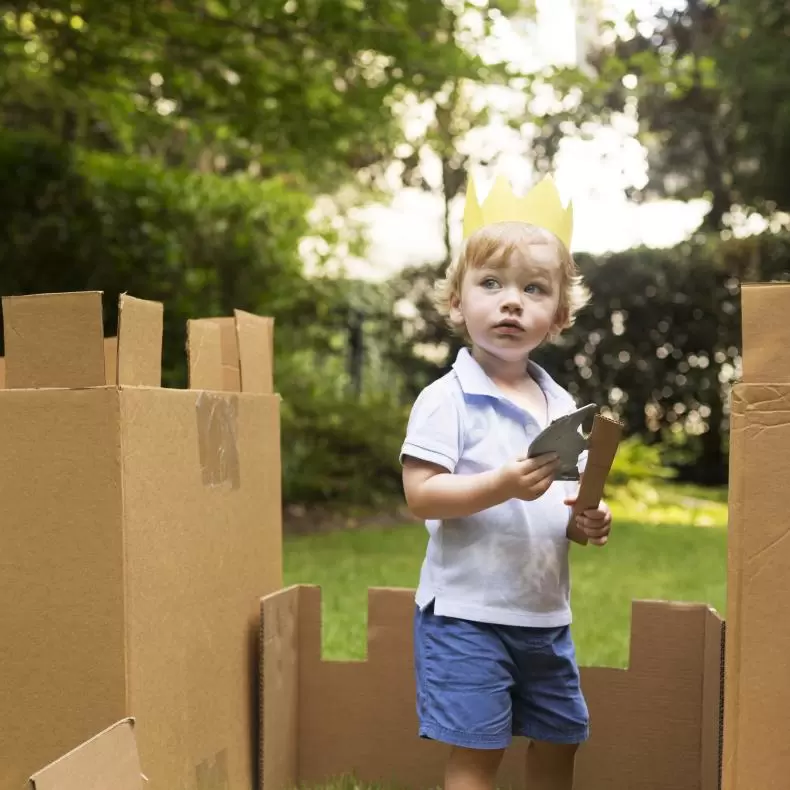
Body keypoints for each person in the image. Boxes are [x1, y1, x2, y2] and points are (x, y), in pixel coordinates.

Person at [399, 174, 613, 790]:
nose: (511, 301)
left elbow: (564, 502)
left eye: (533, 289)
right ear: (456, 303)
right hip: (467, 614)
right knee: (477, 752)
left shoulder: (561, 402)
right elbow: (422, 495)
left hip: (544, 614)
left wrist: (586, 519)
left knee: (559, 738)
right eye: (490, 284)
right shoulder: (447, 400)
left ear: (560, 315)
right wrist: (501, 485)